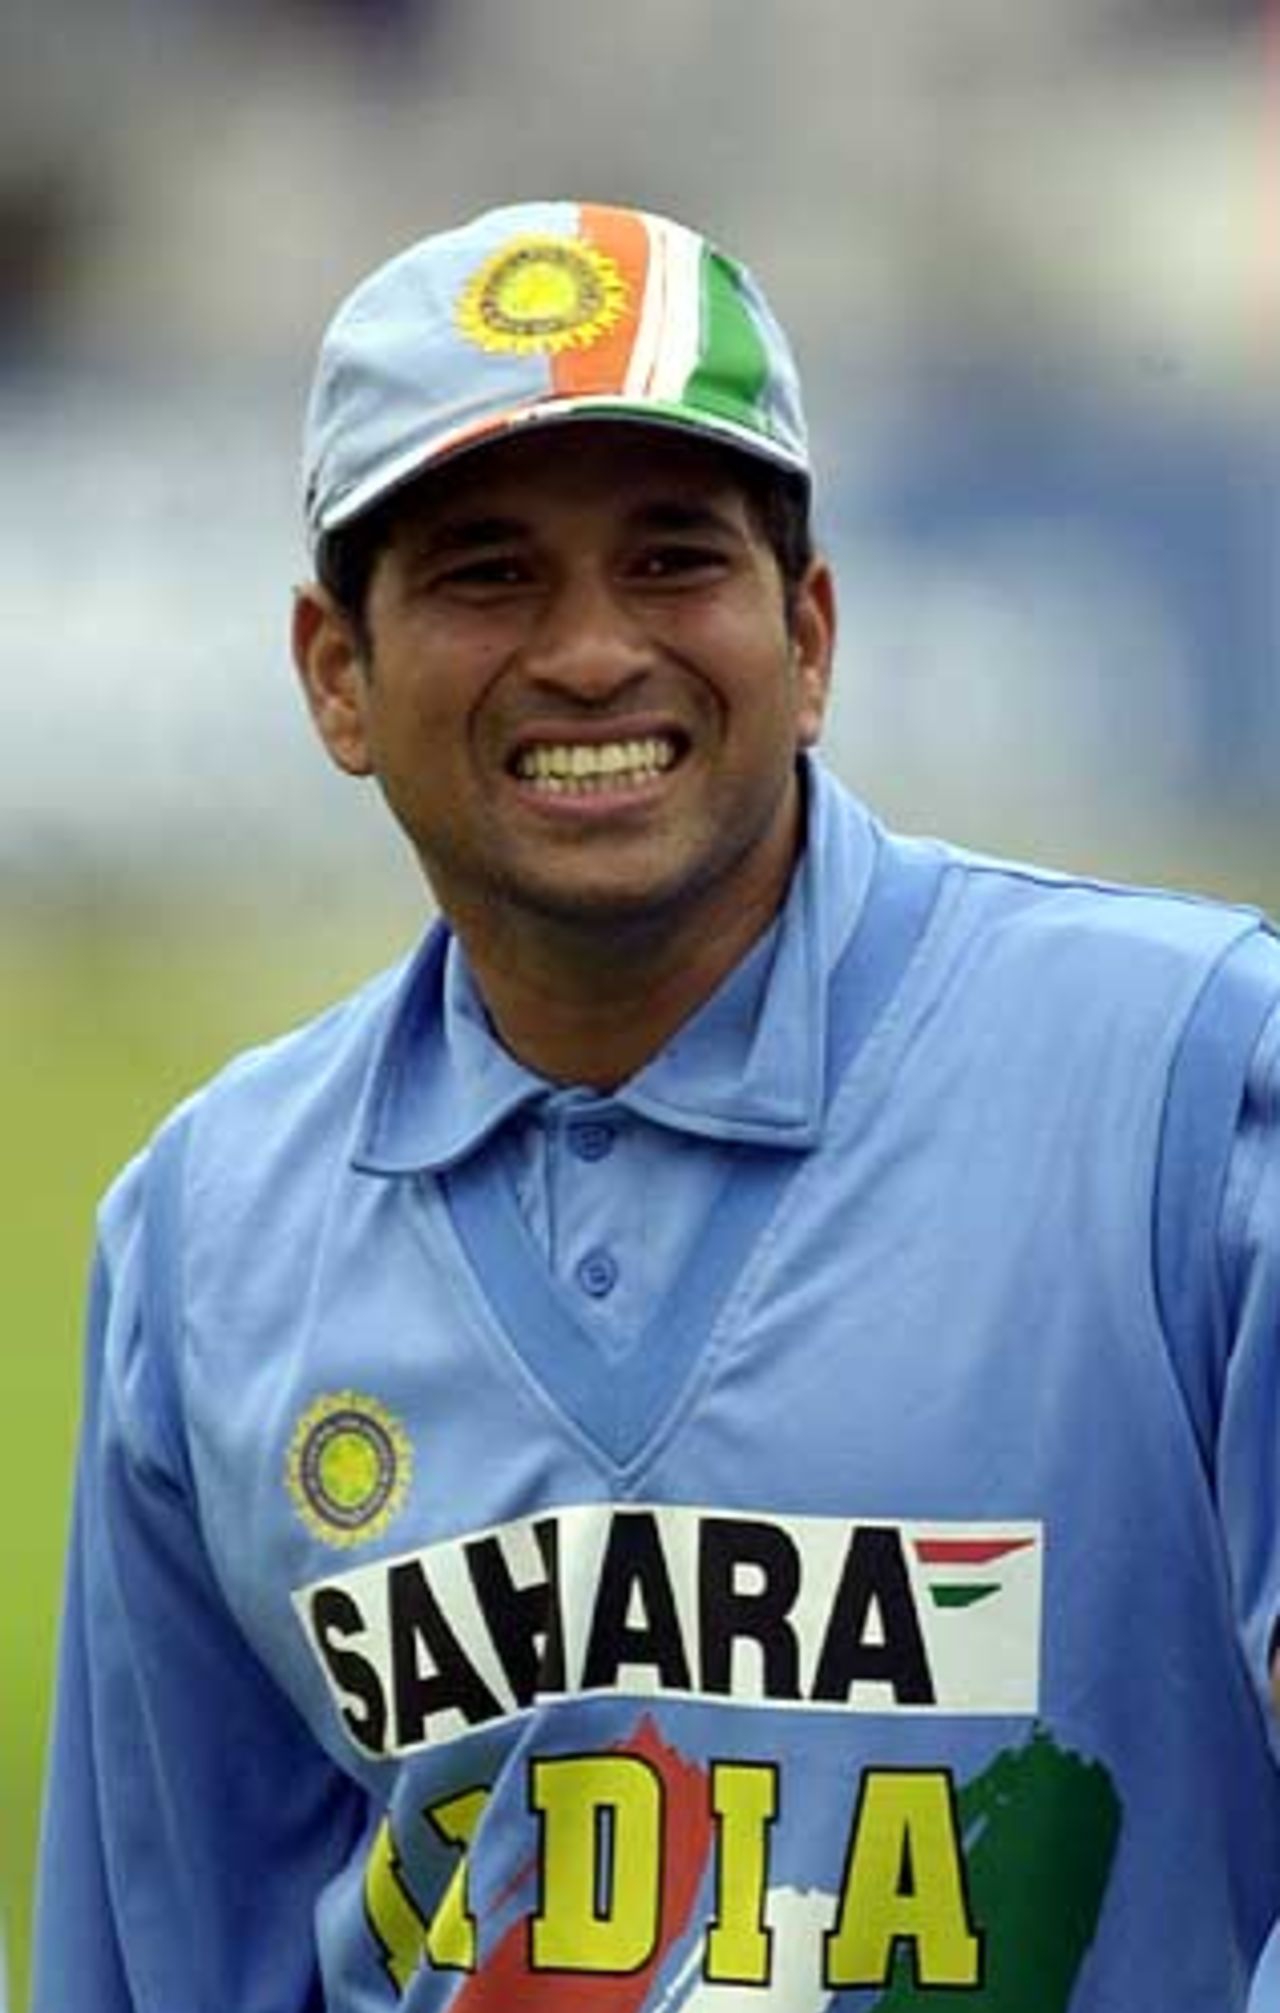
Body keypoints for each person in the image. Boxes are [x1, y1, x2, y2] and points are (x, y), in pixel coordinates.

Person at [32, 198, 1280, 2012]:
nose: (595, 649)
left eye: (675, 558)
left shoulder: (1190, 1083)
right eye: (485, 573)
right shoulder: (203, 1239)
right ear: (334, 675)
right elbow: (163, 1967)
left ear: (814, 631)